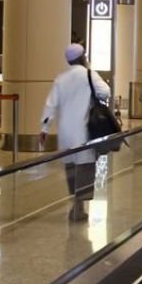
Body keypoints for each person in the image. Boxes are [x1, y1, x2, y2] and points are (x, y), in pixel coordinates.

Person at [40, 44, 111, 222]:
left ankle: (74, 200)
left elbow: (50, 105)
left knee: (71, 167)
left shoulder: (61, 79)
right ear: (83, 57)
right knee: (85, 167)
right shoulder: (89, 75)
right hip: (85, 129)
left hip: (65, 131)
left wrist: (44, 129)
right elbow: (105, 92)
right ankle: (80, 205)